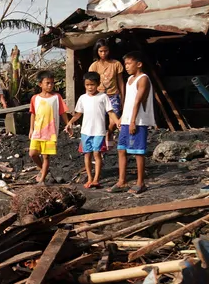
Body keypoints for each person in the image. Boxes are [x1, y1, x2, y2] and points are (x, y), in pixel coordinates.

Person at [112, 52, 156, 195]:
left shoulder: (143, 79)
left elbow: (137, 101)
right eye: (125, 64)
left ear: (139, 64)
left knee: (138, 152)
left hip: (138, 120)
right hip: (127, 120)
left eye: (129, 64)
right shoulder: (130, 79)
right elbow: (128, 101)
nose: (127, 67)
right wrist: (122, 118)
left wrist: (133, 121)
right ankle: (122, 181)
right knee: (121, 149)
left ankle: (140, 183)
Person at [66, 72, 119, 189]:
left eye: (92, 85)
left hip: (99, 131)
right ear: (84, 85)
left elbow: (110, 111)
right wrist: (70, 122)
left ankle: (96, 179)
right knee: (87, 155)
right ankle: (90, 177)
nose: (90, 87)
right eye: (87, 85)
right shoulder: (82, 98)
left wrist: (117, 121)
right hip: (85, 131)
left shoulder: (103, 97)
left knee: (97, 154)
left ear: (98, 84)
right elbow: (78, 114)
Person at [28, 70, 71, 184]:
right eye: (47, 83)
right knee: (32, 153)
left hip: (50, 132)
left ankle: (41, 181)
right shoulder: (35, 98)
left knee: (46, 157)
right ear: (40, 84)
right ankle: (43, 169)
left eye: (52, 83)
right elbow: (33, 113)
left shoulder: (57, 97)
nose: (50, 85)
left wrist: (68, 124)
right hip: (37, 130)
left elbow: (63, 112)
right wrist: (31, 129)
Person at [89, 39, 126, 117]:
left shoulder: (116, 64)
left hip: (113, 96)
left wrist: (123, 98)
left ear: (109, 51)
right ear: (97, 51)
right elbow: (90, 83)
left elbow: (121, 82)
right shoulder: (94, 66)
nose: (103, 53)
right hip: (99, 96)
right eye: (101, 51)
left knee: (114, 120)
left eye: (105, 51)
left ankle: (109, 130)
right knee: (99, 119)